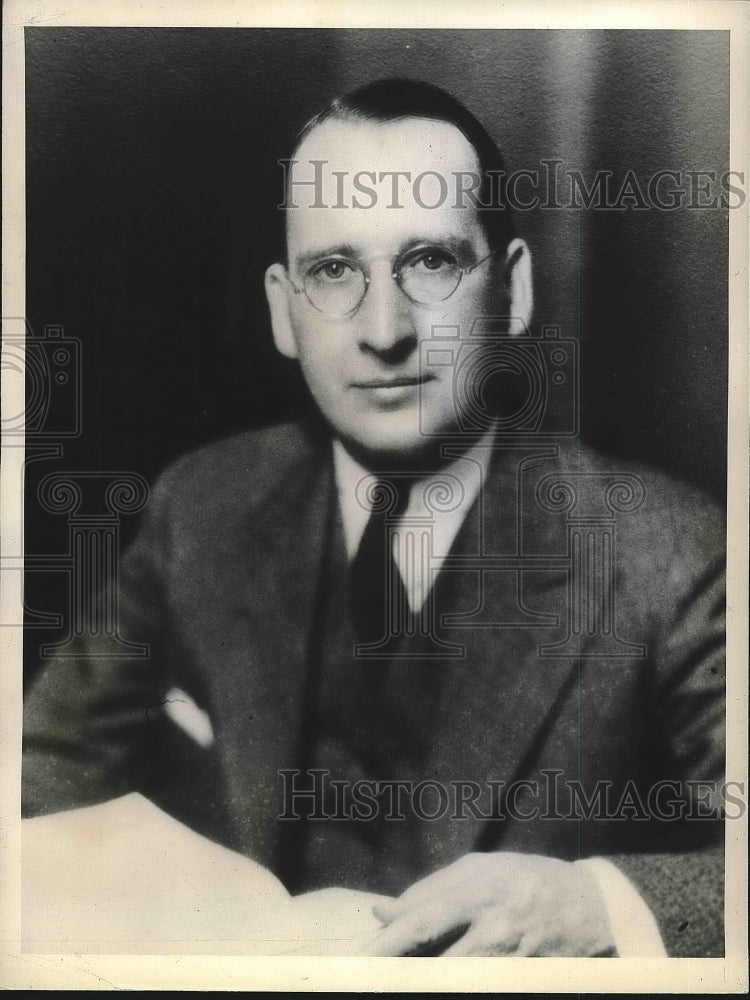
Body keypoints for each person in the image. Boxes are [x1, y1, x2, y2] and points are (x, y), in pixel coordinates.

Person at [22, 79, 726, 958]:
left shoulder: (669, 553)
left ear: (512, 291)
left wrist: (597, 902)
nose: (383, 329)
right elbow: (35, 781)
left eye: (430, 262)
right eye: (334, 271)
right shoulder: (205, 504)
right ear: (283, 309)